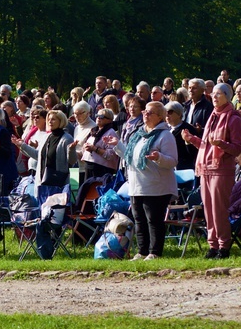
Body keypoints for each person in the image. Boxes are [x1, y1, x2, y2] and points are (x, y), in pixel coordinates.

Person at [106, 101, 178, 259]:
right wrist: (117, 144)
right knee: (139, 220)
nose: (145, 114)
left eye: (150, 112)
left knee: (153, 220)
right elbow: (130, 157)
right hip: (137, 184)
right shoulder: (139, 134)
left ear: (160, 117)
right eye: (145, 111)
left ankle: (154, 252)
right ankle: (142, 251)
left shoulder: (165, 135)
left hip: (156, 186)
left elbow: (172, 161)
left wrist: (159, 157)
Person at [182, 83, 241, 259]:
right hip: (206, 168)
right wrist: (192, 139)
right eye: (213, 94)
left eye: (218, 94)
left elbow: (237, 149)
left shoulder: (233, 118)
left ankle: (224, 247)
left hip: (222, 170)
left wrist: (221, 144)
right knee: (208, 210)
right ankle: (213, 245)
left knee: (219, 210)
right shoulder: (213, 116)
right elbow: (206, 144)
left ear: (227, 96)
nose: (214, 97)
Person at [82, 108, 119, 180]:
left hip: (101, 169)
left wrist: (94, 149)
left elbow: (111, 155)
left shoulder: (111, 132)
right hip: (89, 166)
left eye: (102, 117)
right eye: (97, 115)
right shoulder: (94, 130)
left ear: (109, 120)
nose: (98, 118)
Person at [164, 101, 197, 170]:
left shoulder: (187, 129)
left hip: (183, 168)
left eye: (170, 112)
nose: (167, 115)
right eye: (165, 112)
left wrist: (187, 142)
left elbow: (193, 153)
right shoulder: (164, 129)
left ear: (179, 114)